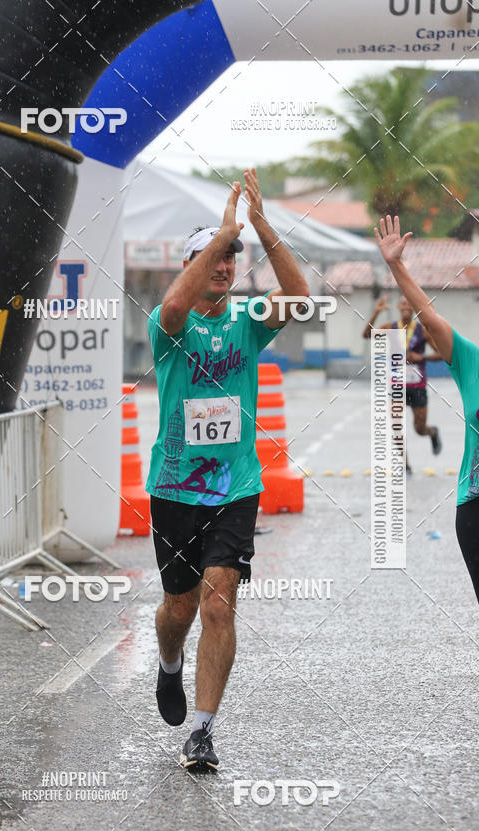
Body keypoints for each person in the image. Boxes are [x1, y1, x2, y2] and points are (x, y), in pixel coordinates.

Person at [146, 168, 309, 771]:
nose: (223, 264)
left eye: (230, 257)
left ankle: (203, 731)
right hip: (174, 487)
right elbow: (173, 305)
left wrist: (259, 227)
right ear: (192, 264)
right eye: (213, 256)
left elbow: (299, 298)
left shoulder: (247, 320)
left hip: (236, 486)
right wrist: (220, 232)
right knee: (179, 608)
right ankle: (169, 664)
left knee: (218, 603)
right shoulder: (170, 324)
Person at [375, 215, 479, 602]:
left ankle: (428, 434)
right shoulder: (471, 360)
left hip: (417, 386)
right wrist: (396, 265)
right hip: (475, 506)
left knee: (419, 426)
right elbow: (431, 317)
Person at [363, 294, 442, 473]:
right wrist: (376, 313)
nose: (406, 306)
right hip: (397, 385)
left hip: (417, 386)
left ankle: (432, 432)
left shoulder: (423, 331)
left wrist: (421, 357)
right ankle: (406, 464)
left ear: (413, 308)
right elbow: (367, 335)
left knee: (419, 428)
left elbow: (441, 354)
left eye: (409, 303)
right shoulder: (390, 328)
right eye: (403, 303)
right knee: (396, 425)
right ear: (398, 307)